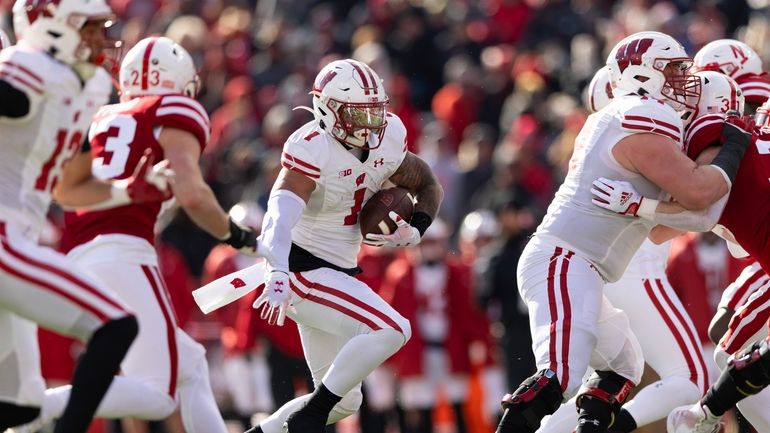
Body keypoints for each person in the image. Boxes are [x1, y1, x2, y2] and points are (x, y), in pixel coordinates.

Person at [496, 31, 751, 433]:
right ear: (643, 74)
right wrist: (735, 144)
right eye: (674, 69)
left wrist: (642, 206)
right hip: (565, 260)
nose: (685, 78)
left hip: (583, 268)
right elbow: (700, 192)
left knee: (623, 368)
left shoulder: (636, 116)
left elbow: (696, 218)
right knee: (559, 376)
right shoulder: (642, 114)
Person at [14, 36, 259, 433]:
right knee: (158, 395)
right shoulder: (172, 109)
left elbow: (64, 188)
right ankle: (37, 405)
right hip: (123, 253)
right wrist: (238, 236)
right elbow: (193, 194)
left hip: (78, 257)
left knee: (191, 364)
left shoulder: (98, 116)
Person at [0, 0, 176, 430]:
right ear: (56, 27)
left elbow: (69, 188)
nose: (102, 40)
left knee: (18, 408)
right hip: (4, 235)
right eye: (91, 28)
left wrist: (127, 191)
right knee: (115, 326)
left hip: (19, 234)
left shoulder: (81, 87)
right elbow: (13, 99)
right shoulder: (27, 66)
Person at [244, 58, 443, 433]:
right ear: (326, 108)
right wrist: (277, 271)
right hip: (303, 269)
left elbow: (429, 184)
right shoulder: (312, 148)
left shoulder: (388, 138)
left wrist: (416, 228)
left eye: (374, 112)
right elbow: (278, 215)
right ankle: (309, 420)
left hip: (336, 273)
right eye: (357, 113)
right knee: (393, 329)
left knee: (346, 401)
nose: (369, 125)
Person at [536, 67, 731, 433]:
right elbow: (690, 216)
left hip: (602, 266)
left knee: (597, 382)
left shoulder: (611, 134)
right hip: (633, 267)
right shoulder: (644, 134)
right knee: (691, 375)